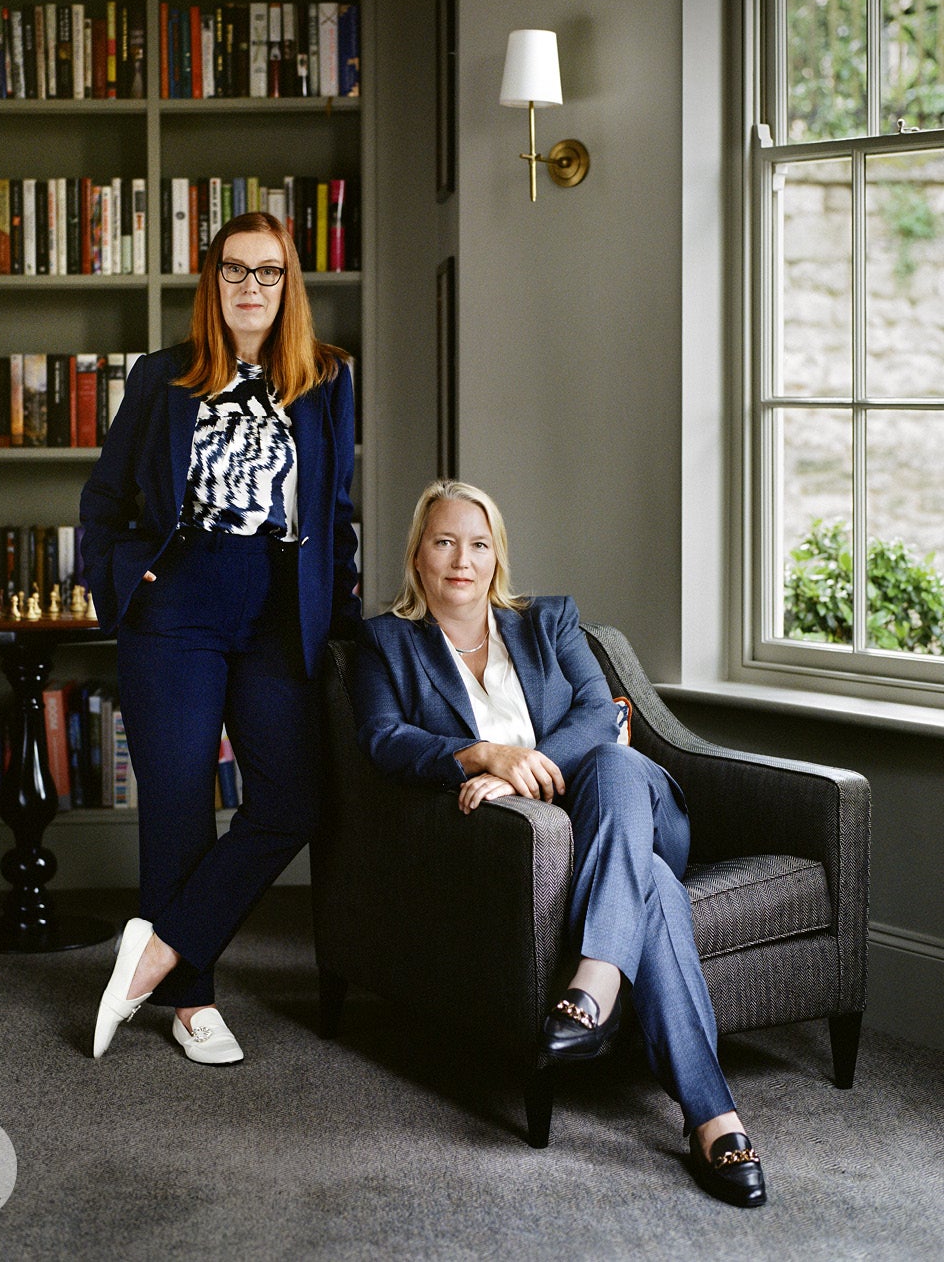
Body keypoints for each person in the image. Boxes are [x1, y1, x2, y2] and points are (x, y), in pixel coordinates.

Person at [351, 479, 766, 1208]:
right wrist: (483, 754)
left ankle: (596, 980)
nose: (462, 560)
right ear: (418, 555)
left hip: (633, 809)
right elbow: (385, 741)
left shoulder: (550, 622)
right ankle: (714, 1118)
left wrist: (522, 772)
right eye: (444, 541)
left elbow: (602, 716)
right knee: (655, 894)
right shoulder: (386, 643)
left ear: (497, 556)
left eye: (479, 544)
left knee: (613, 759)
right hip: (549, 851)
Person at [80, 211, 360, 1065]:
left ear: (289, 284)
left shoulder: (328, 380)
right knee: (177, 807)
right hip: (178, 607)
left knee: (290, 801)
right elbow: (104, 498)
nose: (250, 288)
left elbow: (335, 514)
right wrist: (119, 591)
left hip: (277, 612)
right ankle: (193, 1005)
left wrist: (338, 620)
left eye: (268, 272)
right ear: (213, 282)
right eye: (234, 271)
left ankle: (159, 953)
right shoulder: (164, 378)